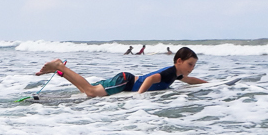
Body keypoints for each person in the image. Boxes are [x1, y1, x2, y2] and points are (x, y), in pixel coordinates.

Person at [34, 46, 206, 99]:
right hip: (126, 82)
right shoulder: (170, 72)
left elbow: (189, 80)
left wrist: (208, 84)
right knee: (92, 92)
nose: (191, 68)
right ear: (179, 61)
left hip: (125, 80)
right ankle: (60, 66)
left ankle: (62, 72)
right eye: (190, 64)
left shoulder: (177, 74)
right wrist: (140, 95)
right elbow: (152, 79)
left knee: (86, 90)